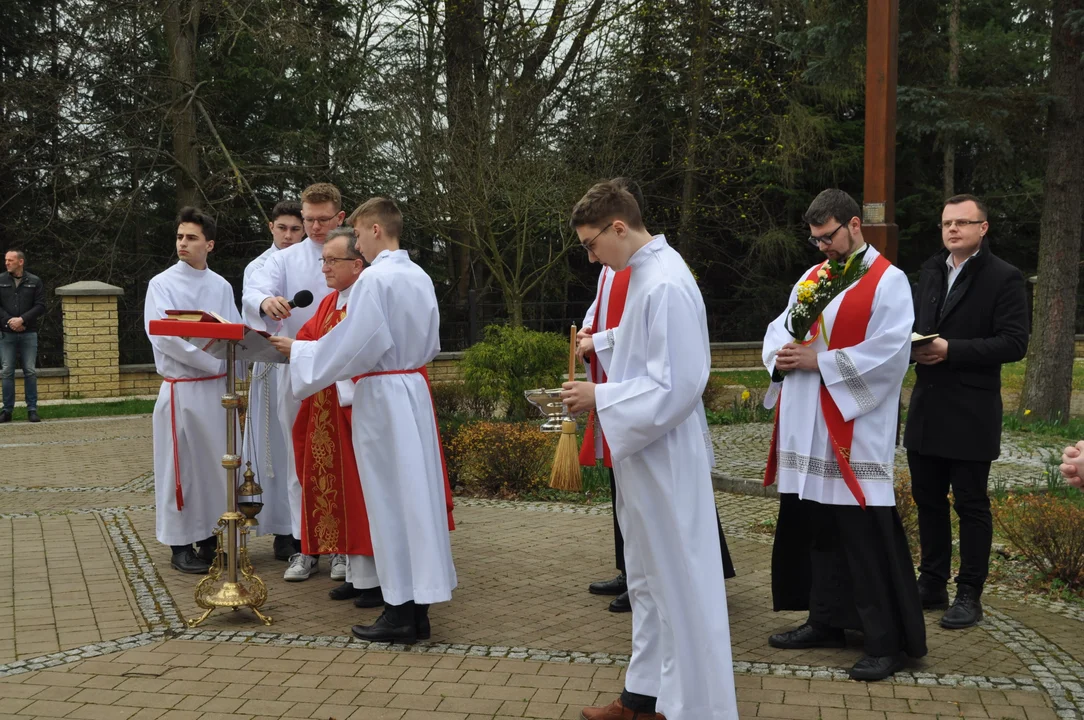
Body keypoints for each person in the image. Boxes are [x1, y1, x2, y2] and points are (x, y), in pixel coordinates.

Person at [561, 180, 737, 720]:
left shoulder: (664, 281)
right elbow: (641, 339)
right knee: (645, 577)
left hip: (665, 450)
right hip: (644, 449)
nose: (590, 256)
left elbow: (680, 382)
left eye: (592, 244)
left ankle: (693, 707)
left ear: (619, 227)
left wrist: (601, 395)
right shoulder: (640, 275)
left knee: (678, 580)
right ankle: (645, 696)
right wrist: (604, 346)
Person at [270, 197, 456, 644]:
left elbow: (356, 343)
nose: (356, 242)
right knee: (416, 499)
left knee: (390, 502)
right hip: (411, 388)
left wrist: (302, 351)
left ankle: (399, 612)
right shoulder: (419, 276)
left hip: (382, 394)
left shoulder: (376, 280)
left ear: (375, 229)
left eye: (357, 231)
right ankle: (416, 610)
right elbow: (428, 340)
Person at [761, 189, 925, 681]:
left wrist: (820, 361)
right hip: (807, 425)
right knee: (819, 531)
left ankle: (886, 641)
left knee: (862, 537)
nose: (821, 248)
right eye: (815, 240)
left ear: (854, 224)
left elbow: (891, 353)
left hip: (853, 427)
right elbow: (778, 328)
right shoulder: (814, 278)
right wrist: (782, 356)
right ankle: (825, 620)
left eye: (827, 237)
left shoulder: (888, 281)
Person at [904, 194, 1029, 629]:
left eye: (962, 222)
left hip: (972, 409)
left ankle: (969, 594)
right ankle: (932, 582)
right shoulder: (931, 270)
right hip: (927, 406)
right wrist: (912, 347)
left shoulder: (1004, 277)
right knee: (928, 501)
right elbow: (916, 323)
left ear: (983, 228)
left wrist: (950, 350)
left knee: (971, 505)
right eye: (946, 223)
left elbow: (1014, 343)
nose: (952, 230)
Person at [242, 183, 342, 583]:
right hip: (294, 367)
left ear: (340, 217)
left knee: (339, 461)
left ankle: (342, 548)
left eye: (322, 219)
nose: (314, 227)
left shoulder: (352, 256)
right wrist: (266, 302)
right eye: (308, 220)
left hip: (339, 369)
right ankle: (305, 546)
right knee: (298, 459)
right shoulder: (286, 259)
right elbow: (256, 287)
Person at [143, 207, 242, 574]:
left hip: (216, 391)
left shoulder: (220, 286)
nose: (183, 243)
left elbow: (232, 332)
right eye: (180, 237)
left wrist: (231, 368)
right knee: (180, 467)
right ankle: (180, 542)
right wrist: (212, 362)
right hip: (183, 388)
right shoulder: (162, 283)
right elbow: (163, 335)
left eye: (192, 238)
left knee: (215, 467)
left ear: (209, 244)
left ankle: (212, 537)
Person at [291, 227, 382, 607]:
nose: (324, 267)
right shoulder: (330, 303)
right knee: (340, 495)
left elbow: (361, 354)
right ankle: (358, 575)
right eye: (323, 260)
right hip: (328, 415)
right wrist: (289, 348)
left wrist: (298, 350)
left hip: (354, 415)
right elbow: (310, 340)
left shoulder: (364, 302)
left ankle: (374, 581)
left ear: (356, 264)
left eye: (332, 260)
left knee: (363, 498)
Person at [241, 200, 306, 561]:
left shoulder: (318, 259)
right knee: (275, 453)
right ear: (271, 227)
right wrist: (266, 302)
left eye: (295, 229)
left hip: (310, 365)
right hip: (272, 367)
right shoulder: (261, 266)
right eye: (282, 228)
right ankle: (283, 529)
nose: (288, 235)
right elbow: (251, 301)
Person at [0, 250, 47, 424]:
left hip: (29, 333)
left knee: (30, 371)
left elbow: (41, 306)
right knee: (6, 372)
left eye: (10, 260)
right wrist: (10, 322)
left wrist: (22, 320)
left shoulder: (34, 281)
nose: (7, 263)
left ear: (20, 262)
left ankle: (32, 410)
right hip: (6, 333)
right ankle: (7, 411)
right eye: (5, 260)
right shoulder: (1, 280)